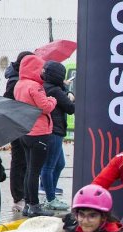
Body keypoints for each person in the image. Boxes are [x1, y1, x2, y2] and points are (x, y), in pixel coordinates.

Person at [14, 54, 56, 217]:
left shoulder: (19, 84)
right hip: (39, 132)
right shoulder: (35, 86)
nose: (43, 72)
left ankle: (27, 204)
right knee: (34, 171)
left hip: (25, 131)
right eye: (41, 68)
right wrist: (53, 99)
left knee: (29, 169)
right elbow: (45, 107)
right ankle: (35, 205)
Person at [40, 60, 75, 211]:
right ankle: (50, 198)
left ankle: (51, 194)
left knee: (59, 164)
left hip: (55, 130)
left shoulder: (48, 87)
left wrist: (64, 90)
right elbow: (70, 107)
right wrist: (71, 95)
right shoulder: (54, 90)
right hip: (54, 131)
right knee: (49, 166)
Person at [3, 50, 34, 213]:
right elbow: (8, 100)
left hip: (23, 124)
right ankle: (18, 196)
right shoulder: (15, 81)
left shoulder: (21, 79)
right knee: (19, 161)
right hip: (17, 125)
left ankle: (22, 194)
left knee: (25, 161)